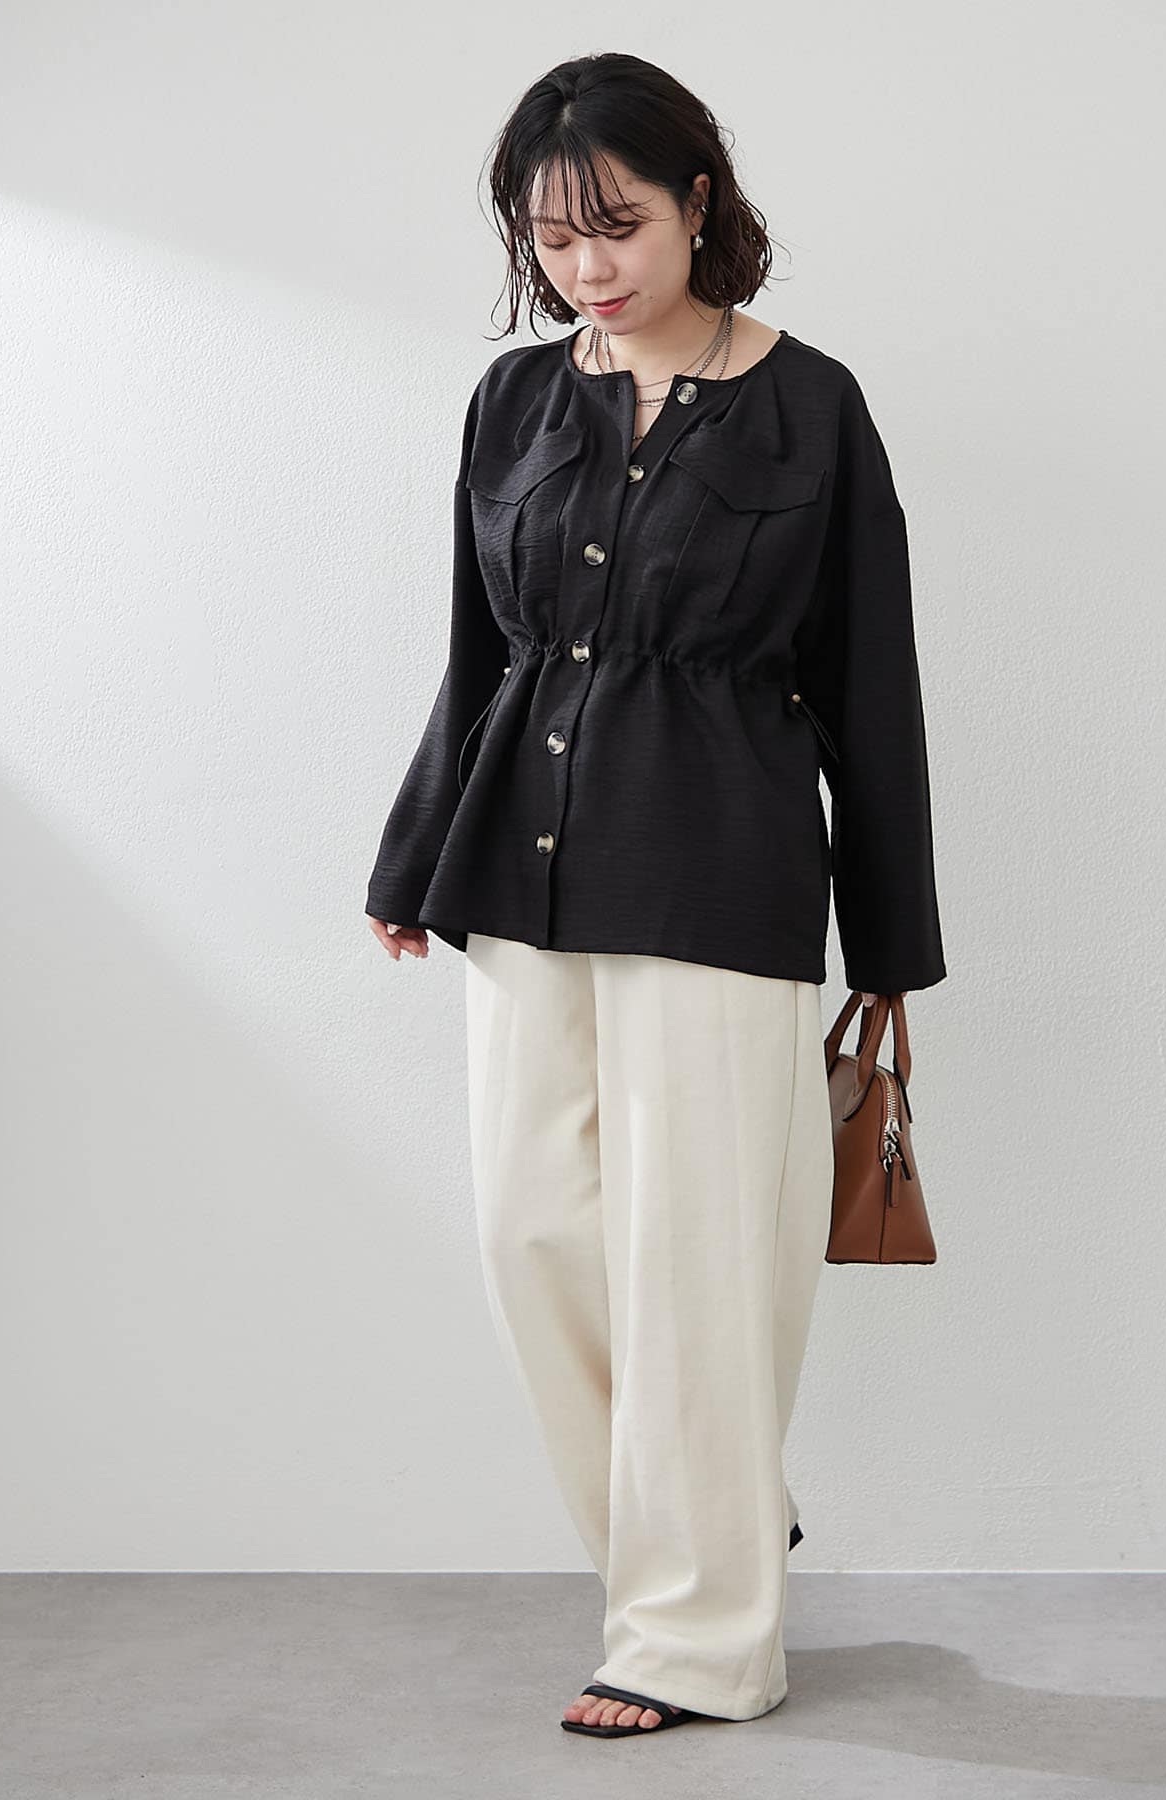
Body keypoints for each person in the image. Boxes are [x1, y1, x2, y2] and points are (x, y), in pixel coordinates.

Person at [364, 52, 947, 1738]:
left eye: (615, 225)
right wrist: (414, 853)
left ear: (701, 201)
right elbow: (479, 650)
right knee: (534, 1232)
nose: (587, 266)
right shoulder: (512, 405)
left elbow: (870, 682)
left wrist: (888, 941)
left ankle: (697, 1638)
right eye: (553, 240)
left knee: (696, 1253)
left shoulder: (811, 404)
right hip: (518, 862)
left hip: (719, 861)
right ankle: (717, 1519)